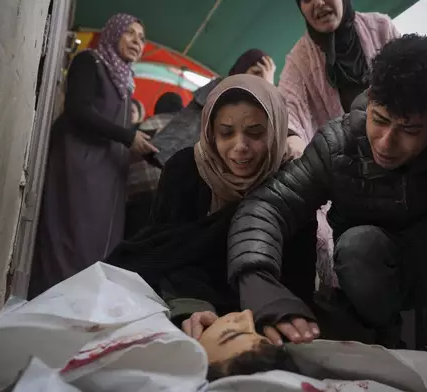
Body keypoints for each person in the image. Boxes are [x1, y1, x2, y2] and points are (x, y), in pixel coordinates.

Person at [225, 35, 427, 354]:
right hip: (372, 282)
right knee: (360, 244)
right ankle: (386, 344)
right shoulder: (337, 144)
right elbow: (267, 206)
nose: (386, 143)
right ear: (370, 99)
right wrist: (259, 283)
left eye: (410, 130)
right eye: (380, 120)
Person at [106, 74, 320, 350]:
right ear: (210, 131)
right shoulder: (185, 170)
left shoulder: (290, 185)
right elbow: (167, 250)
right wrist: (193, 306)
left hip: (262, 312)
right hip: (181, 298)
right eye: (226, 132)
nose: (240, 147)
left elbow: (297, 277)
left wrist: (272, 314)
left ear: (277, 130)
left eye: (255, 133)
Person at [28, 13, 156, 298]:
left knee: (99, 244)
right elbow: (78, 109)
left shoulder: (126, 81)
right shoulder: (91, 61)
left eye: (142, 38)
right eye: (130, 34)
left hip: (107, 176)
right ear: (112, 33)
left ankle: (82, 310)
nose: (137, 41)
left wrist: (140, 143)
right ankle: (52, 305)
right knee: (70, 239)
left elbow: (115, 128)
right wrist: (127, 136)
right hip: (79, 168)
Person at [281, 0, 399, 290]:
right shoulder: (300, 58)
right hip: (349, 181)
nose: (319, 3)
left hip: (403, 162)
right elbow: (288, 108)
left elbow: (417, 81)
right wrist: (293, 139)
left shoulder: (381, 28)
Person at [149, 49, 277, 167]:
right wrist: (267, 89)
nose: (259, 81)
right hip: (159, 160)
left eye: (264, 77)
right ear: (241, 71)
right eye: (256, 73)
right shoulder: (221, 87)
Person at [125, 92, 185, 238]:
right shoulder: (188, 131)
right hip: (177, 206)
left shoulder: (138, 131)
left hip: (139, 204)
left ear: (156, 109)